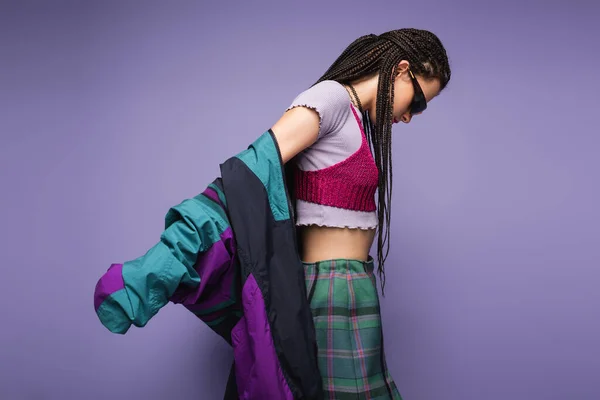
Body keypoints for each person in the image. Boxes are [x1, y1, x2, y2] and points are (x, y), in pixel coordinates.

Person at [270, 28, 451, 398]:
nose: (410, 117)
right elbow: (255, 167)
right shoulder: (331, 98)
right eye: (417, 102)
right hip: (330, 287)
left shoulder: (356, 116)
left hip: (352, 284)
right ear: (401, 71)